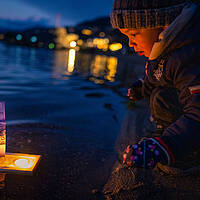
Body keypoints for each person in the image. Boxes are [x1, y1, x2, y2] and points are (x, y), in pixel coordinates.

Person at [110, 0, 200, 171]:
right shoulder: (164, 51)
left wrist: (167, 145)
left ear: (165, 26)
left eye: (134, 34)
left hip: (192, 129)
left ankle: (189, 154)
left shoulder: (189, 57)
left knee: (162, 96)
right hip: (182, 115)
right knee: (159, 94)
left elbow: (198, 112)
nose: (130, 43)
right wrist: (141, 87)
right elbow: (154, 76)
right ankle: (164, 135)